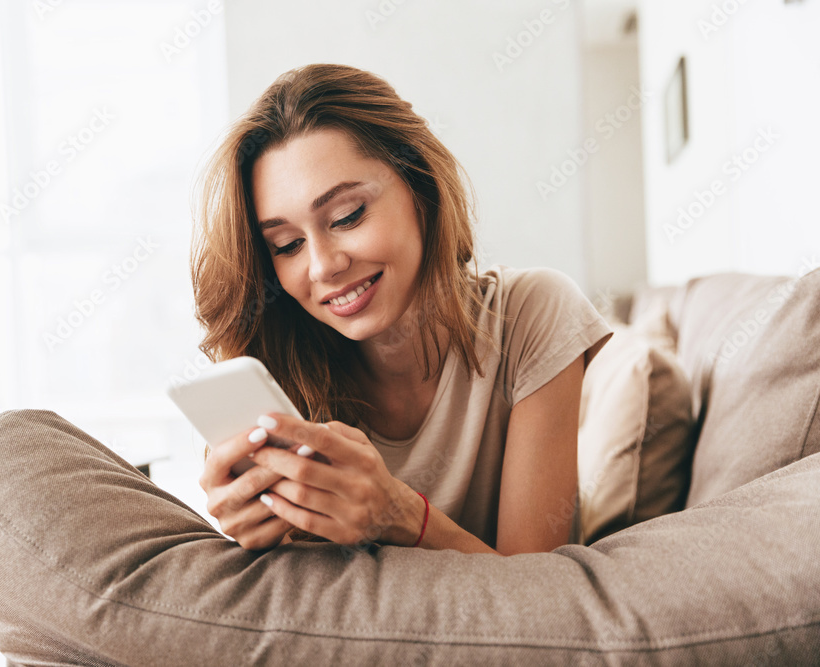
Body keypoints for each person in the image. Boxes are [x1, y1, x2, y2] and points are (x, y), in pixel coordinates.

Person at [191, 63, 612, 556]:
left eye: (347, 216)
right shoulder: (272, 370)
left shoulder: (533, 315)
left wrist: (399, 514)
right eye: (286, 245)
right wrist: (260, 536)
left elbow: (537, 598)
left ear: (420, 187)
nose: (323, 266)